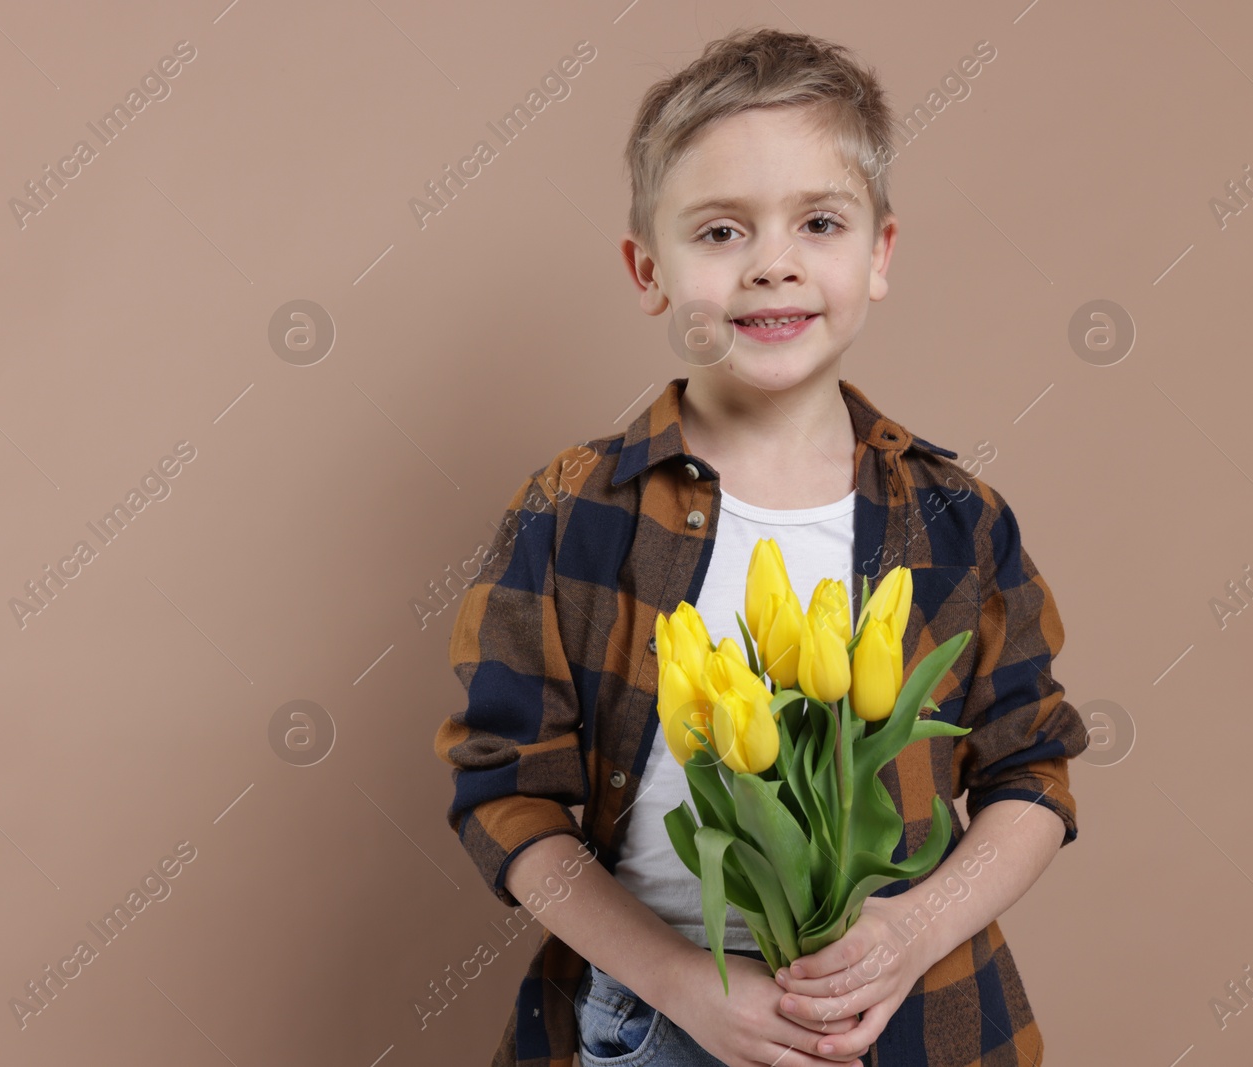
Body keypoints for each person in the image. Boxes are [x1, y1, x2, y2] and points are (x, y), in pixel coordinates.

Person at [433, 26, 1088, 1067]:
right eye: (721, 232)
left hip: (908, 1014)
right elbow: (503, 793)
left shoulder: (955, 519)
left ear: (877, 255)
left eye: (817, 222)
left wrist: (908, 930)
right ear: (649, 270)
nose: (772, 263)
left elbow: (1033, 775)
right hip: (652, 1014)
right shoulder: (569, 512)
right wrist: (683, 982)